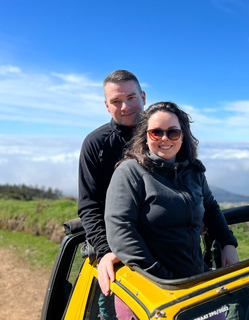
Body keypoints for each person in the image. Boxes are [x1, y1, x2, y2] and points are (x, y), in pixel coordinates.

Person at [105, 101, 239, 280]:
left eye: (173, 132)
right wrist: (163, 278)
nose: (165, 138)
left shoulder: (193, 172)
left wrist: (227, 243)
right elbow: (121, 233)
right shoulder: (130, 172)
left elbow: (211, 207)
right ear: (145, 136)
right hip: (157, 289)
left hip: (196, 280)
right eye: (156, 132)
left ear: (183, 137)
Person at [78, 70, 145, 297]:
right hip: (117, 254)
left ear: (143, 97)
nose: (125, 107)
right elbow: (89, 206)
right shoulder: (95, 144)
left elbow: (191, 184)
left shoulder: (164, 135)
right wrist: (106, 252)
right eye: (116, 101)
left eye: (131, 98)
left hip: (165, 244)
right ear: (107, 105)